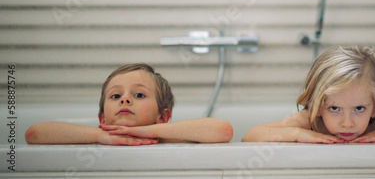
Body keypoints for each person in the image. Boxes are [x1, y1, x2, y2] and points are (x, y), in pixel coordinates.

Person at [242, 46, 375, 143]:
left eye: (359, 109)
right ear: (318, 106)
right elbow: (250, 137)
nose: (347, 123)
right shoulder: (309, 121)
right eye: (334, 108)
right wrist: (296, 134)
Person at [25, 63, 233, 145]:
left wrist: (151, 131)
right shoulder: (97, 137)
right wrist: (99, 136)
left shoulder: (166, 139)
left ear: (163, 117)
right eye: (115, 96)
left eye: (139, 95)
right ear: (102, 118)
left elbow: (222, 130)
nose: (125, 99)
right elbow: (34, 134)